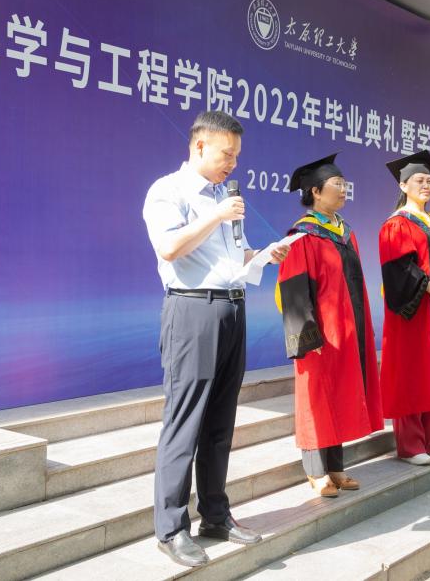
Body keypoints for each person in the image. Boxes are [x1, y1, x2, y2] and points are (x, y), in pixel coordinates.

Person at [143, 110, 289, 568]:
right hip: (192, 311)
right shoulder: (168, 191)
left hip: (231, 309)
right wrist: (216, 215)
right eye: (227, 154)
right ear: (200, 145)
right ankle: (171, 528)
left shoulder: (226, 197)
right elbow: (170, 247)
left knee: (220, 421)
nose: (233, 164)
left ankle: (215, 515)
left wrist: (263, 255)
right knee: (184, 421)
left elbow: (233, 258)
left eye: (237, 156)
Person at [275, 153, 384, 497]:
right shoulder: (302, 236)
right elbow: (293, 291)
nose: (344, 189)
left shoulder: (345, 233)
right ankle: (315, 470)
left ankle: (336, 467)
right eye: (337, 184)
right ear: (316, 192)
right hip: (320, 333)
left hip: (347, 332)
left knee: (338, 394)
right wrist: (308, 337)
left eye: (344, 184)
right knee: (317, 397)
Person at [378, 150, 430, 465]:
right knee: (413, 372)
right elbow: (401, 268)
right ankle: (410, 443)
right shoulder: (396, 224)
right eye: (419, 181)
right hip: (412, 311)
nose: (426, 185)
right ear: (403, 186)